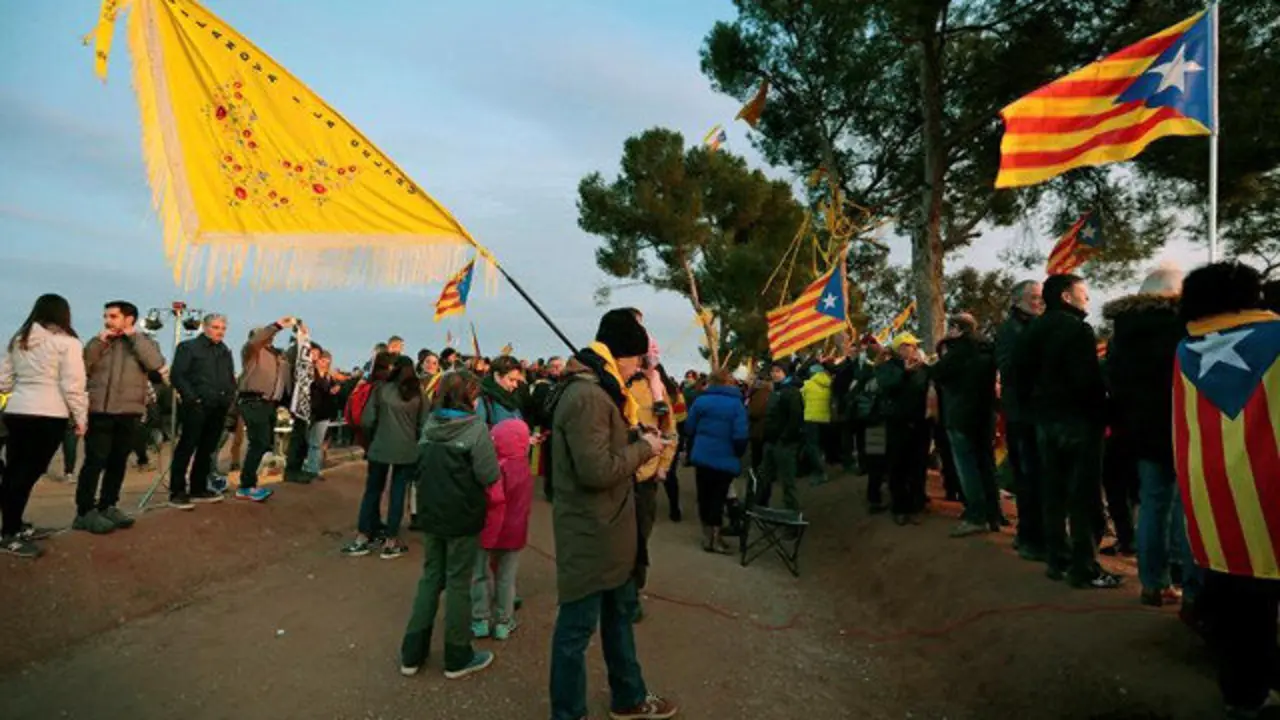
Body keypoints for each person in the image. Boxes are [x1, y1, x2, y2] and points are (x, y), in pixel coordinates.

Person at [546, 309, 676, 720]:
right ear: (622, 356)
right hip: (591, 533)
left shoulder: (602, 390)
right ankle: (568, 713)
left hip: (613, 531)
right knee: (575, 633)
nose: (641, 367)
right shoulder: (587, 396)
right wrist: (645, 449)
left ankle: (629, 697)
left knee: (619, 619)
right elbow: (596, 470)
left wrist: (637, 435)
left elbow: (605, 444)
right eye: (638, 359)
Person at [1175, 261, 1280, 717]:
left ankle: (1242, 695)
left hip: (1215, 494)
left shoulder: (1184, 350)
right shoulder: (1276, 340)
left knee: (1238, 606)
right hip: (1272, 488)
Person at [1016, 274, 1118, 589]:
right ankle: (1083, 567)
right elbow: (1084, 382)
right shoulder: (1077, 330)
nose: (1087, 299)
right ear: (1065, 296)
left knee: (1054, 493)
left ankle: (1056, 560)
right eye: (1083, 293)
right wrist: (1103, 412)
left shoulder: (1033, 330)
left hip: (1045, 422)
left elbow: (1018, 376)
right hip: (1079, 423)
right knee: (1084, 498)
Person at [1103, 267, 1194, 607]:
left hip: (1138, 431)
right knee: (1183, 506)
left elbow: (1112, 380)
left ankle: (1153, 582)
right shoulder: (1181, 329)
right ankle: (1184, 579)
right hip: (1179, 427)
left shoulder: (1122, 334)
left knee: (1153, 504)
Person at [400, 371, 499, 680]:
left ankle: (412, 654)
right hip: (463, 515)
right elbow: (489, 475)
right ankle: (457, 656)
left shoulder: (429, 425)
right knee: (458, 583)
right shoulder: (475, 429)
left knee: (430, 578)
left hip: (431, 513)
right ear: (468, 397)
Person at [0, 294, 88, 558]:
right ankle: (9, 533)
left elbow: (3, 379)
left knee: (15, 471)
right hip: (49, 413)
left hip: (17, 410)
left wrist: (21, 390)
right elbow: (73, 385)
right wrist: (81, 418)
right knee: (28, 474)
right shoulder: (67, 344)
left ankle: (14, 524)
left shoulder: (19, 340)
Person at [75, 301, 166, 534]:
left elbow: (155, 363)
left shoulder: (144, 342)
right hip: (100, 411)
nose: (108, 320)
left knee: (118, 461)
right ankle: (85, 511)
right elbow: (83, 366)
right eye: (106, 316)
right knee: (94, 462)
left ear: (129, 319)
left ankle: (108, 505)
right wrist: (99, 342)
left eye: (113, 316)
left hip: (128, 411)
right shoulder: (99, 342)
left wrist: (134, 337)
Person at [343, 356, 427, 559]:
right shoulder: (419, 393)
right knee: (398, 493)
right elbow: (424, 424)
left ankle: (362, 537)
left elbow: (367, 420)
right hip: (407, 449)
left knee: (372, 490)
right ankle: (391, 540)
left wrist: (373, 439)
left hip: (379, 447)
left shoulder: (381, 389)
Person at [931, 313, 1001, 537]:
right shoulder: (989, 349)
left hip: (961, 417)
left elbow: (936, 373)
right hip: (986, 415)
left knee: (967, 468)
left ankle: (975, 515)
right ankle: (994, 514)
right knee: (987, 466)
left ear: (957, 329)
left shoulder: (958, 351)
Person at [470, 417, 533, 641]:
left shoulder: (497, 467)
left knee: (480, 573)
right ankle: (503, 622)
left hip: (489, 529)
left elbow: (494, 498)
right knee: (506, 578)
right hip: (515, 531)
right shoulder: (524, 466)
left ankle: (480, 618)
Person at [996, 280, 1046, 560]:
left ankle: (1029, 534)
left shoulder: (1032, 327)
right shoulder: (1011, 330)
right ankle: (1030, 538)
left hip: (1030, 413)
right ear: (1017, 301)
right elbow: (1009, 367)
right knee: (1028, 478)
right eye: (1034, 297)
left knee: (1033, 477)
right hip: (1022, 415)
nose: (1039, 302)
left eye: (1041, 298)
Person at [626, 364, 678, 622]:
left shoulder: (658, 391)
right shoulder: (614, 384)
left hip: (645, 479)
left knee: (639, 538)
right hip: (616, 475)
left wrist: (663, 467)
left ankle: (632, 595)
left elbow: (670, 431)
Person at [168, 314, 236, 510]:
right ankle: (177, 491)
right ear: (205, 328)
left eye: (223, 327)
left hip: (218, 407)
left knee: (207, 449)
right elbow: (177, 375)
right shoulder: (188, 347)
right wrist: (192, 399)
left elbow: (229, 377)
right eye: (215, 327)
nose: (220, 331)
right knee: (186, 447)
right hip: (196, 407)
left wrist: (228, 398)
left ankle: (198, 488)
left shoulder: (224, 351)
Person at [685, 369, 748, 555]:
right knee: (719, 497)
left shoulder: (701, 401)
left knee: (704, 495)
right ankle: (716, 537)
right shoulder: (737, 405)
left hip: (703, 455)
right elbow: (741, 434)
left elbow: (689, 427)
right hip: (725, 457)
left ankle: (707, 536)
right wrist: (738, 453)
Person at [236, 318, 296, 499]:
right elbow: (256, 341)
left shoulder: (277, 357)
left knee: (265, 443)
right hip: (253, 400)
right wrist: (277, 326)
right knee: (259, 442)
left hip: (270, 404)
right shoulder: (252, 352)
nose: (267, 339)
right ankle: (246, 485)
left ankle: (250, 481)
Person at [878, 333, 930, 526]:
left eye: (915, 346)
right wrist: (905, 374)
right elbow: (887, 386)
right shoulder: (887, 368)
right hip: (897, 424)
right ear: (899, 349)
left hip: (920, 424)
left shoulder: (923, 368)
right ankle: (900, 507)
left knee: (918, 465)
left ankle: (917, 504)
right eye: (909, 345)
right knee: (898, 466)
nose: (914, 349)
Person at [756, 360, 804, 513]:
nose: (774, 374)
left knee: (788, 482)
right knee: (764, 477)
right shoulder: (774, 392)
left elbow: (795, 418)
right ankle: (759, 506)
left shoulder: (792, 393)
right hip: (771, 442)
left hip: (785, 444)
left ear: (785, 373)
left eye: (778, 371)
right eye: (773, 371)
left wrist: (785, 437)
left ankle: (793, 516)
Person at [303, 350, 341, 478]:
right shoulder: (311, 373)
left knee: (316, 443)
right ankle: (306, 466)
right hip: (310, 412)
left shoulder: (330, 377)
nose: (325, 364)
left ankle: (313, 469)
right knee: (305, 441)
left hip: (324, 413)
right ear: (317, 360)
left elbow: (334, 393)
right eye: (323, 361)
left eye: (327, 362)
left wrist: (335, 390)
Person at [799, 363, 833, 485]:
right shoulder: (829, 383)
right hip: (825, 418)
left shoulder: (807, 384)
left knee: (812, 447)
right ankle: (823, 467)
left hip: (811, 418)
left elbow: (801, 399)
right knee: (821, 445)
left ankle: (819, 472)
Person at [477, 355, 525, 427]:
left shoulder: (512, 398)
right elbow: (479, 433)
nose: (515, 385)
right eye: (511, 380)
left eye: (517, 381)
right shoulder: (483, 400)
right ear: (497, 376)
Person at [744, 370, 772, 470]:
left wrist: (748, 411)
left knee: (757, 454)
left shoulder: (760, 391)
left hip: (758, 428)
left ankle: (757, 474)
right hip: (766, 428)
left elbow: (755, 412)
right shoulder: (770, 391)